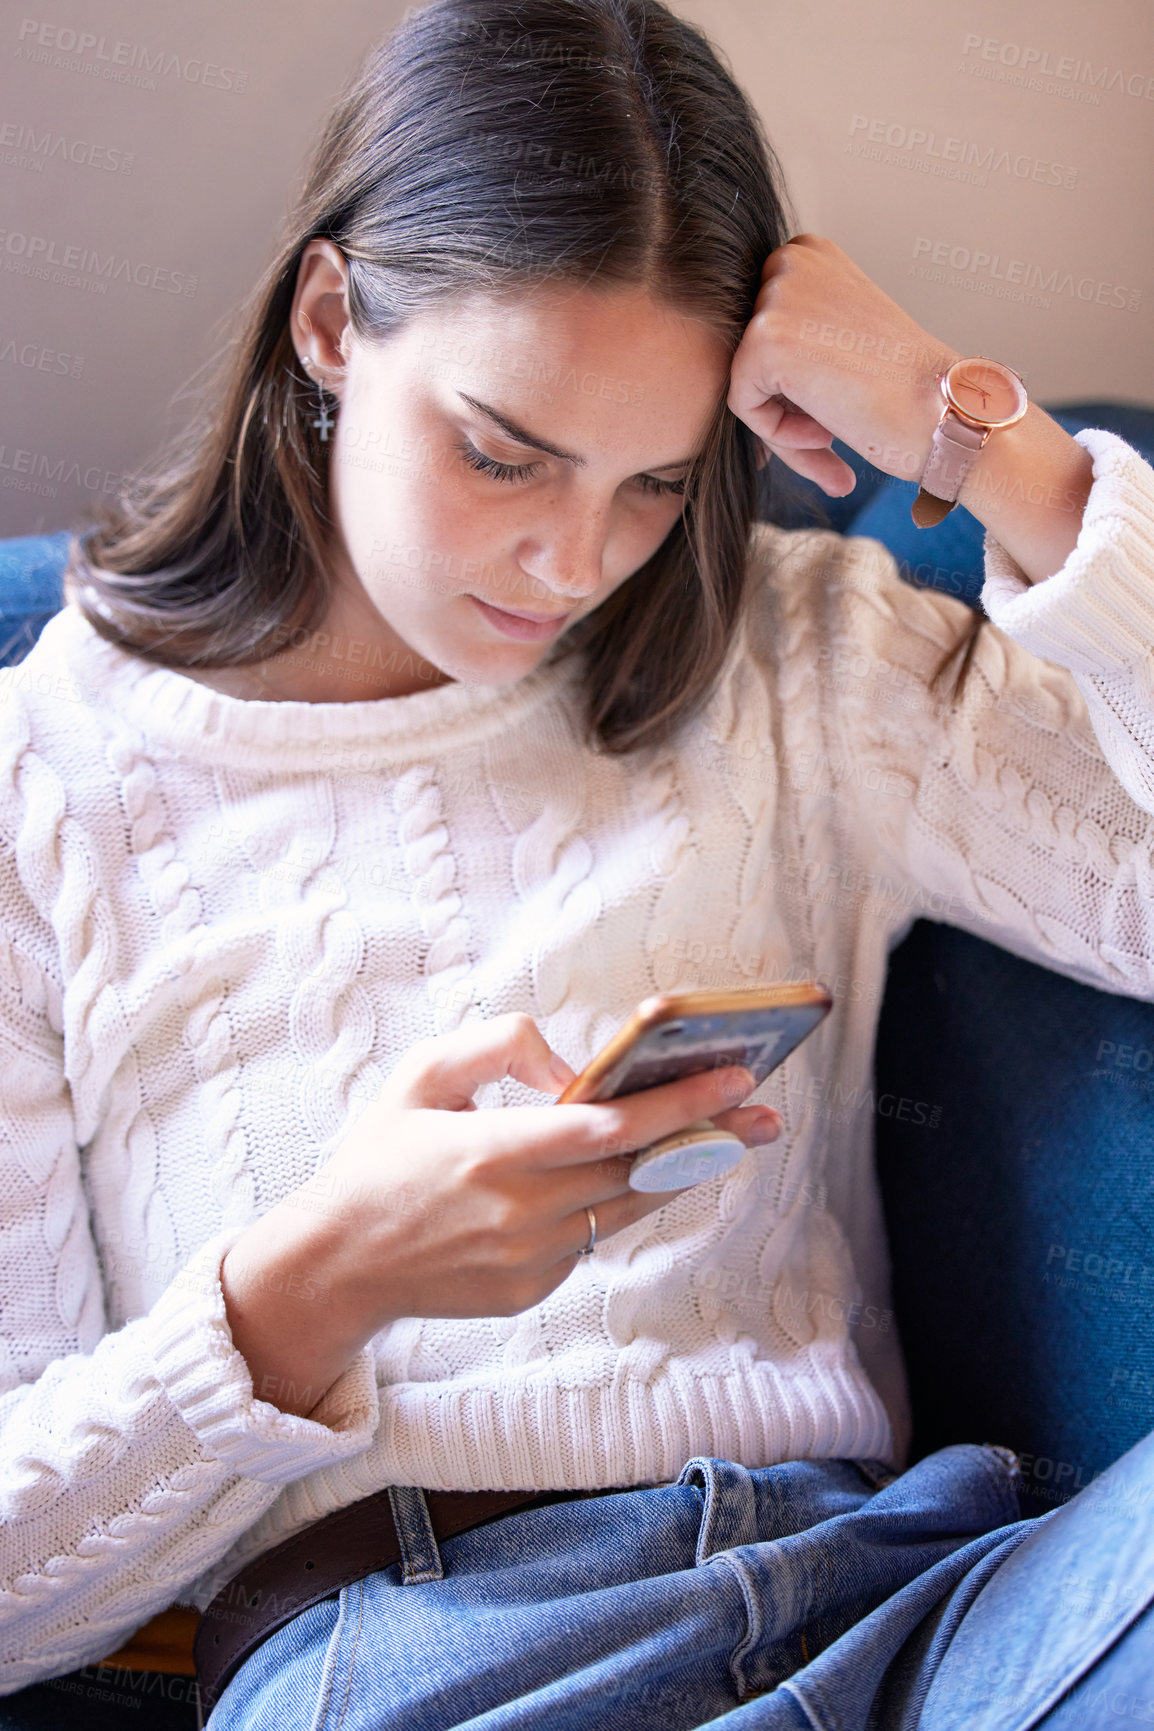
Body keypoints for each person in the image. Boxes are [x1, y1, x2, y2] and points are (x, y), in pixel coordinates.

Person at [1, 0, 1153, 1725]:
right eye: (500, 451)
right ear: (332, 323)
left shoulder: (789, 654)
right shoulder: (46, 793)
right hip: (430, 1655)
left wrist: (975, 437)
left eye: (652, 484)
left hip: (901, 1608)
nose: (570, 559)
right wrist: (317, 1289)